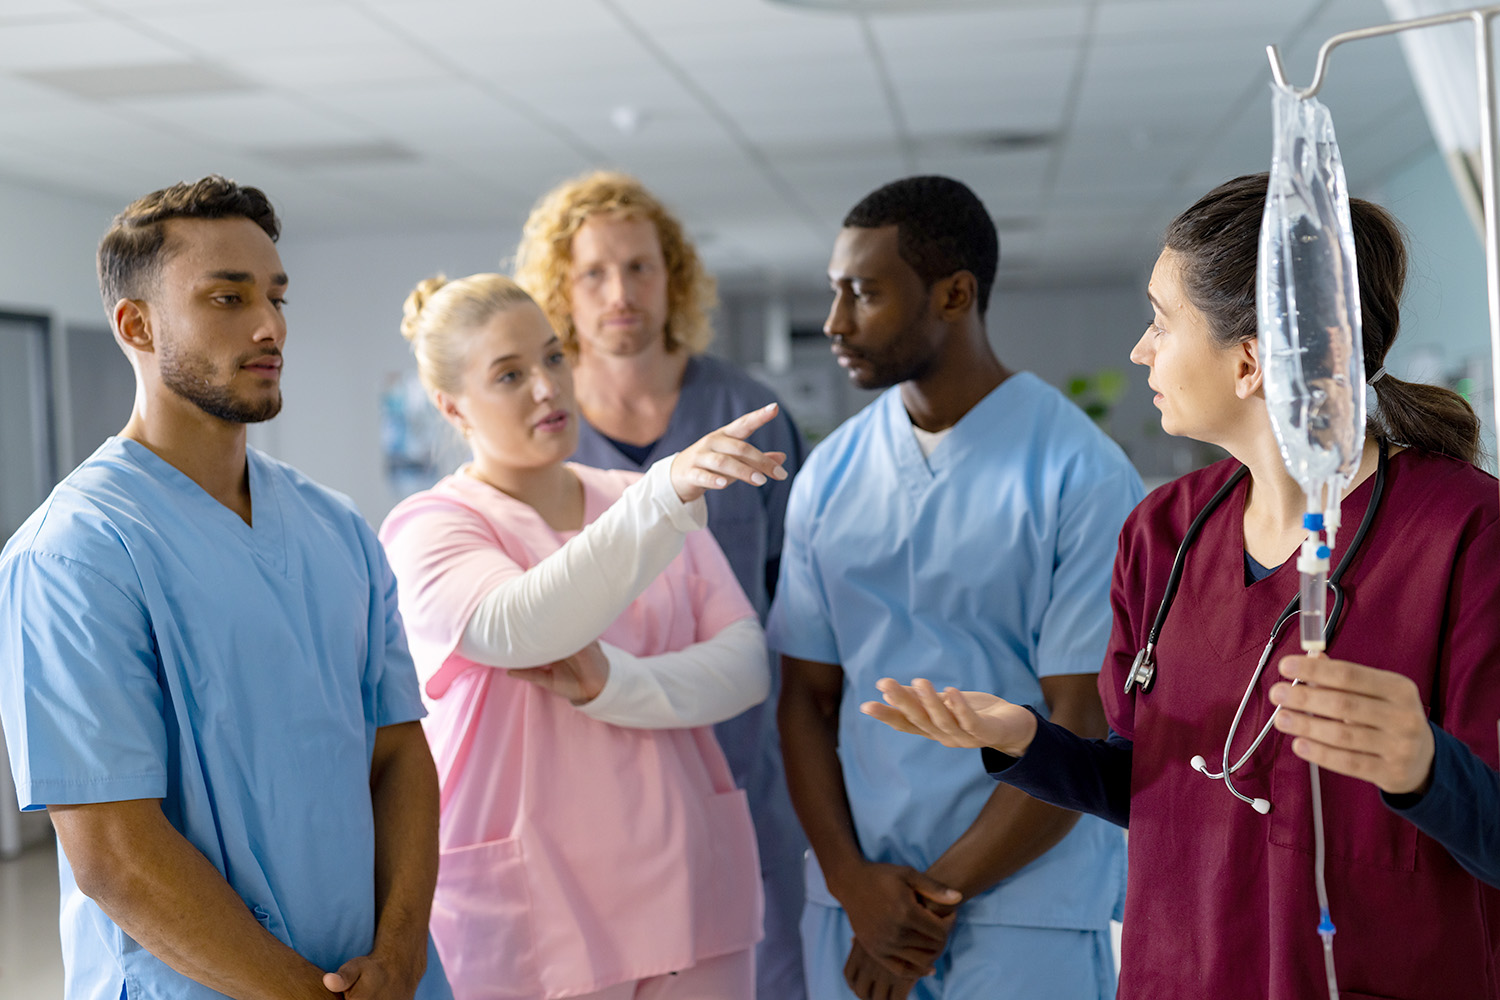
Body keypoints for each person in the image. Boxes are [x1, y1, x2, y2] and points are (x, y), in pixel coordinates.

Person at [864, 173, 1500, 999]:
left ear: (1248, 362)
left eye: (1163, 322)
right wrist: (1026, 741)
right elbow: (1162, 790)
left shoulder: (1465, 534)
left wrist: (1422, 767)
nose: (1140, 349)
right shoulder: (1163, 534)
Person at [0, 176, 451, 1000]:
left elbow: (397, 751)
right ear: (136, 325)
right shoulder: (74, 555)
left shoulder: (338, 528)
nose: (269, 324)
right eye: (226, 297)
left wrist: (401, 950)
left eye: (276, 296)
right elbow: (115, 851)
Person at [768, 175, 1144, 1000]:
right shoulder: (830, 474)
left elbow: (1081, 722)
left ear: (954, 294)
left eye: (863, 293)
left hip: (1020, 907)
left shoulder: (1080, 474)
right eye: (834, 293)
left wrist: (928, 904)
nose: (835, 322)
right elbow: (804, 697)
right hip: (858, 903)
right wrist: (855, 884)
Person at [379, 272, 787, 1000]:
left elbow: (745, 666)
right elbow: (520, 624)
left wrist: (614, 685)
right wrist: (664, 498)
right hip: (537, 910)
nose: (547, 387)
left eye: (554, 357)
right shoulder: (432, 527)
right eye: (509, 374)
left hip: (687, 886)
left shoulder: (640, 502)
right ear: (450, 405)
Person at [513, 170, 809, 998]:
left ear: (672, 276)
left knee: (768, 970)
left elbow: (792, 599)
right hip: (595, 776)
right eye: (594, 273)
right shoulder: (542, 427)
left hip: (745, 770)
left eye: (640, 267)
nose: (621, 293)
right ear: (560, 289)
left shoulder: (747, 410)